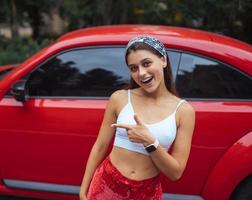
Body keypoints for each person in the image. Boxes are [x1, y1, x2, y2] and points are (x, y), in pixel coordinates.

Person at [79, 35, 195, 200]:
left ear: (163, 60)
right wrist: (84, 189)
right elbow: (100, 147)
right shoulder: (119, 98)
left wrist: (150, 142)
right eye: (133, 68)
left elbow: (175, 173)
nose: (141, 73)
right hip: (106, 186)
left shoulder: (184, 111)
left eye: (146, 63)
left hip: (146, 193)